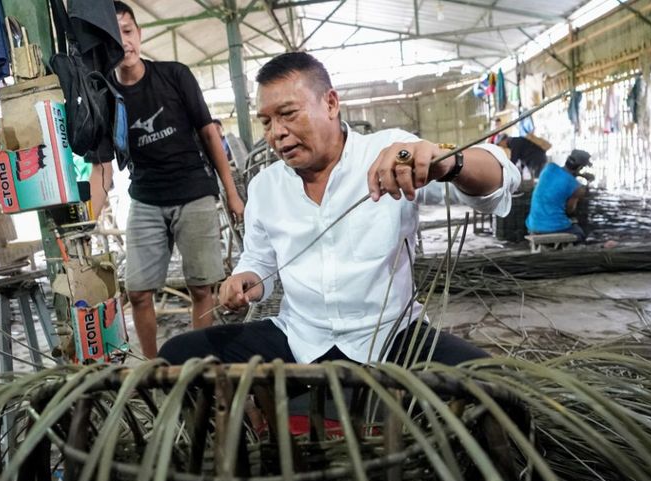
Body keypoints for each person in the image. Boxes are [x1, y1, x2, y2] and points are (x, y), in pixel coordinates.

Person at [158, 52, 520, 368]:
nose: (276, 133)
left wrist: (448, 163)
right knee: (179, 356)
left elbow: (501, 181)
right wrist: (246, 281)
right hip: (299, 339)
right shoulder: (265, 187)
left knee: (490, 385)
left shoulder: (391, 153)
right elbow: (260, 262)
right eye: (266, 122)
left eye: (288, 114)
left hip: (391, 337)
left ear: (330, 103)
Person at [88, 1, 245, 358]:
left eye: (128, 32)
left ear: (139, 34)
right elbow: (102, 169)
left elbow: (209, 134)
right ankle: (154, 367)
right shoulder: (105, 98)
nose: (124, 42)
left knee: (202, 288)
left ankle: (198, 364)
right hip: (145, 198)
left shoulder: (175, 75)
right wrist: (86, 223)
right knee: (138, 292)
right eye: (114, 36)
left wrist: (232, 194)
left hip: (194, 193)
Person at [526, 149, 594, 241]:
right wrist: (587, 182)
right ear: (580, 168)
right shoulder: (576, 188)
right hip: (552, 227)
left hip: (532, 225)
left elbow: (563, 176)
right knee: (580, 232)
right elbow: (570, 210)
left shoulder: (549, 168)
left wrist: (580, 175)